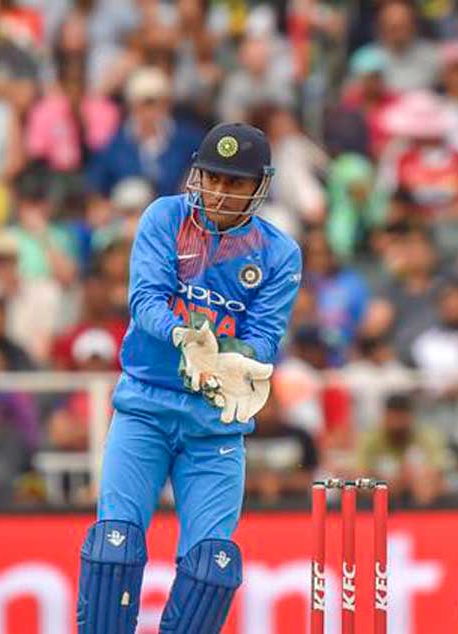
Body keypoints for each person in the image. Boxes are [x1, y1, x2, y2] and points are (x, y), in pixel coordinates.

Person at [75, 122, 302, 633]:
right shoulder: (165, 217)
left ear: (259, 186)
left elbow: (265, 335)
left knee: (211, 570)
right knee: (114, 549)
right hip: (145, 408)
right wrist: (183, 335)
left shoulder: (278, 252)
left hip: (214, 425)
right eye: (212, 177)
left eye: (234, 183)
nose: (218, 192)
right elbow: (145, 300)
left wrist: (240, 358)